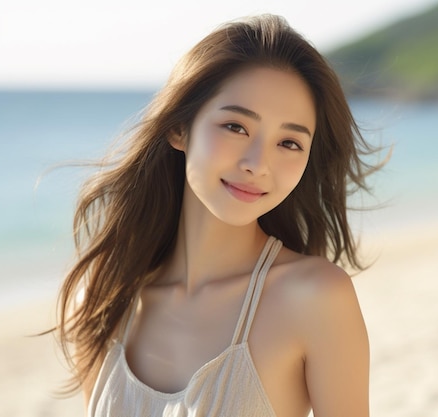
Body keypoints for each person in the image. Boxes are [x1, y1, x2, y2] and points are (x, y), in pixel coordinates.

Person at [53, 14, 380, 417]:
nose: (258, 164)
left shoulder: (314, 297)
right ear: (179, 128)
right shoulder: (103, 295)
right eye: (235, 126)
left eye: (290, 143)